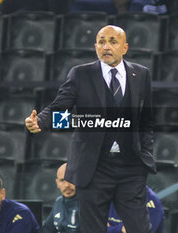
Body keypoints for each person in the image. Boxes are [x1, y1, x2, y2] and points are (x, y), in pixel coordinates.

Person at [25, 25, 156, 233]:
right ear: (95, 46)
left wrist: (145, 153)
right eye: (101, 41)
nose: (106, 46)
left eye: (113, 41)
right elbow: (60, 107)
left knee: (140, 229)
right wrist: (40, 121)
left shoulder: (141, 74)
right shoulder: (80, 74)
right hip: (94, 168)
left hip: (131, 167)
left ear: (125, 47)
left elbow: (146, 120)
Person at [42, 163, 80, 233]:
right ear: (57, 183)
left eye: (70, 179)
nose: (66, 185)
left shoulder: (88, 204)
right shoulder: (58, 202)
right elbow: (47, 230)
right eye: (62, 181)